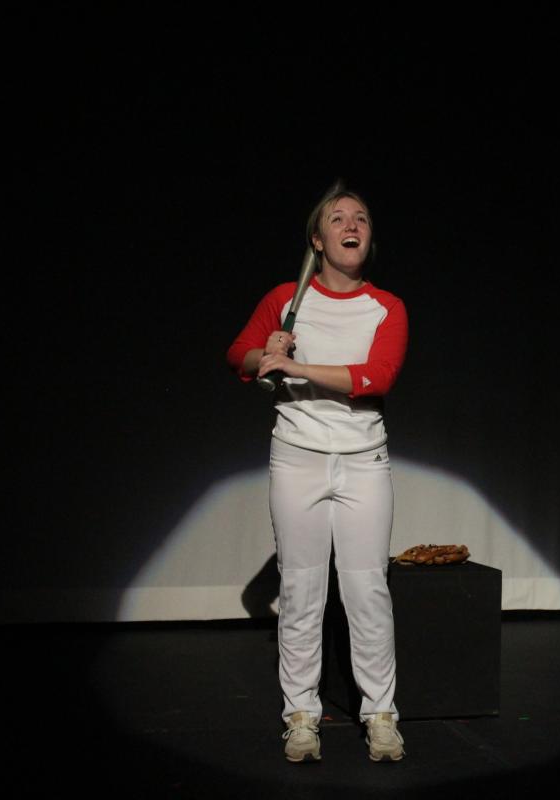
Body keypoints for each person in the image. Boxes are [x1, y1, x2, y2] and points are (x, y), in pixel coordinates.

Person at [226, 182, 409, 763]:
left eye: (361, 218)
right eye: (338, 218)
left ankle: (380, 714)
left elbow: (374, 378)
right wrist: (265, 354)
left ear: (368, 237)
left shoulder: (387, 307)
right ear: (318, 237)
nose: (352, 225)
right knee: (301, 590)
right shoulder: (286, 298)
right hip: (298, 458)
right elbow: (241, 356)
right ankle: (301, 715)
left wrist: (293, 364)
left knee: (366, 590)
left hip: (362, 462)